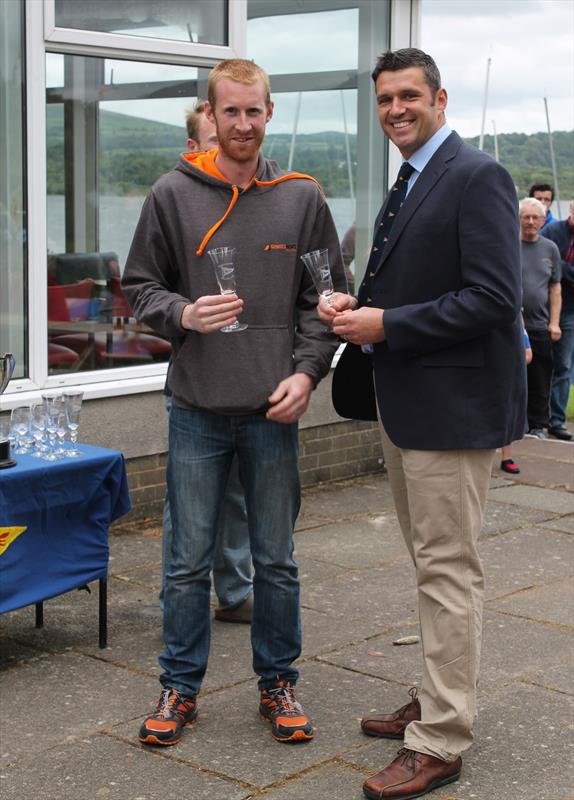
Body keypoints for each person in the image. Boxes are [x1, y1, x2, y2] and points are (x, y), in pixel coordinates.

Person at [318, 48, 526, 800]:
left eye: (409, 96)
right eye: (384, 100)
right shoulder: (411, 180)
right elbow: (411, 283)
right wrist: (351, 309)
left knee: (447, 571)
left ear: (439, 98)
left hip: (451, 412)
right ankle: (440, 695)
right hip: (408, 406)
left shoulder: (477, 176)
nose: (396, 110)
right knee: (431, 564)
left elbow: (495, 298)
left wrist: (386, 323)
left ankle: (441, 736)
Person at [122, 58, 346, 748]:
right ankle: (179, 686)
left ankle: (277, 683)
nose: (243, 124)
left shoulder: (302, 197)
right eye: (231, 112)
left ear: (269, 114)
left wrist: (308, 374)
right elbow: (139, 286)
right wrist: (184, 315)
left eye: (255, 111)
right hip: (194, 410)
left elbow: (327, 299)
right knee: (186, 562)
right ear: (210, 116)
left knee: (275, 560)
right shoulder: (171, 193)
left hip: (273, 411)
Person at [161, 100, 254, 625]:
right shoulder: (175, 204)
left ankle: (236, 592)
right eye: (215, 138)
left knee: (238, 497)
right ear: (194, 147)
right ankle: (180, 600)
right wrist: (185, 313)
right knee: (188, 507)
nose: (229, 144)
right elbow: (147, 290)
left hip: (251, 382)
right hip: (194, 382)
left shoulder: (265, 198)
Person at [519, 197, 562, 438]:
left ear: (543, 221)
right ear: (519, 219)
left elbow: (555, 288)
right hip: (512, 326)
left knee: (540, 378)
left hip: (540, 325)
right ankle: (517, 422)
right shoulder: (508, 244)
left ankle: (538, 425)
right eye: (526, 217)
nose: (531, 222)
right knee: (514, 377)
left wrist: (554, 322)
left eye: (536, 218)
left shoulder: (550, 249)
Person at [542, 199, 574, 441]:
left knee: (563, 366)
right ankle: (533, 419)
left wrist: (558, 265)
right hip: (541, 308)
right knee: (537, 364)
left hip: (569, 311)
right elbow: (538, 257)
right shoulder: (552, 231)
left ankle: (556, 420)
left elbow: (553, 267)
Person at [500, 325, 533, 473]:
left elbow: (528, 354)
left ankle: (506, 457)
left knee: (507, 414)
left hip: (507, 375)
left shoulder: (519, 327)